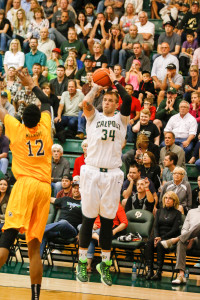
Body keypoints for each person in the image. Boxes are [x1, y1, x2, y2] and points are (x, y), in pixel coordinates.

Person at [76, 68, 132, 286]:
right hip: (91, 172)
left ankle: (105, 266)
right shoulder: (94, 116)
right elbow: (85, 104)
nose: (107, 102)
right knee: (88, 220)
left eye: (111, 100)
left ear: (116, 104)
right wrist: (97, 86)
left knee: (107, 223)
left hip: (112, 175)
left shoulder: (122, 119)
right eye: (105, 100)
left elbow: (126, 97)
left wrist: (114, 80)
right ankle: (82, 263)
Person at [0, 68, 52, 300]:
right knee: (34, 247)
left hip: (25, 186)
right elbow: (47, 101)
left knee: (8, 237)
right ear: (39, 118)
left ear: (22, 118)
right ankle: (35, 297)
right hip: (44, 188)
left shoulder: (16, 129)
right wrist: (32, 84)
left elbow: (1, 111)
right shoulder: (46, 127)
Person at [145, 191, 181, 281]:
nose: (167, 200)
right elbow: (155, 226)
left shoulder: (177, 213)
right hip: (158, 236)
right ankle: (150, 270)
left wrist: (162, 238)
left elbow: (175, 230)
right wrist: (157, 237)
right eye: (166, 198)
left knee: (161, 244)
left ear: (174, 201)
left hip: (169, 238)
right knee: (149, 242)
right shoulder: (159, 211)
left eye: (170, 198)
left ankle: (159, 271)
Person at [40, 181, 82, 258]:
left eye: (78, 188)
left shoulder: (84, 204)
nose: (76, 190)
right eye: (74, 188)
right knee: (44, 234)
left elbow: (86, 220)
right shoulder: (65, 199)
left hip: (71, 231)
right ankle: (37, 261)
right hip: (58, 230)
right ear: (71, 189)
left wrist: (81, 233)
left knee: (64, 222)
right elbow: (51, 199)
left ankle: (40, 229)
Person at [161, 205, 200, 284]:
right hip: (191, 240)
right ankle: (181, 275)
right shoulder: (191, 212)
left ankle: (174, 240)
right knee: (181, 242)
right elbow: (185, 228)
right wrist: (189, 238)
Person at [86, 202, 128, 272]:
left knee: (88, 236)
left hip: (109, 230)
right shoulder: (97, 205)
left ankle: (89, 266)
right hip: (95, 230)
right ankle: (88, 266)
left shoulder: (117, 206)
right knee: (83, 229)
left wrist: (114, 231)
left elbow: (124, 223)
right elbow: (88, 219)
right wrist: (92, 224)